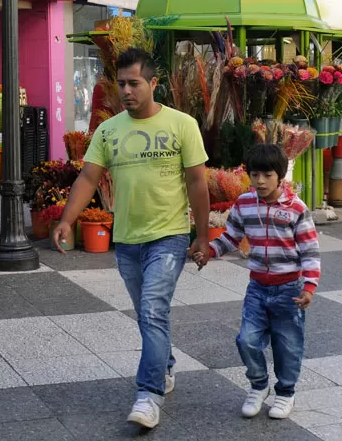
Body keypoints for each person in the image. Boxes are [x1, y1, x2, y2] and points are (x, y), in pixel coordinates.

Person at [51, 48, 210, 430]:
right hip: (127, 239)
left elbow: (197, 181)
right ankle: (165, 364)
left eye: (134, 83)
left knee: (153, 309)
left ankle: (148, 395)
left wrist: (202, 236)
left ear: (153, 84)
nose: (126, 90)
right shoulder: (108, 130)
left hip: (169, 236)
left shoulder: (182, 124)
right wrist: (67, 219)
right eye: (121, 83)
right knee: (147, 313)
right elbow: (88, 177)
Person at [194, 143, 320, 420]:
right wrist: (210, 251)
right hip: (257, 288)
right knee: (247, 340)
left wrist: (309, 287)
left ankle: (285, 393)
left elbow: (310, 252)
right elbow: (231, 237)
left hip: (290, 290)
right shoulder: (244, 204)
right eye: (254, 175)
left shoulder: (296, 209)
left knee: (288, 344)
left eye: (267, 175)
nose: (260, 181)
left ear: (280, 176)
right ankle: (258, 386)